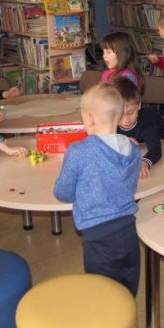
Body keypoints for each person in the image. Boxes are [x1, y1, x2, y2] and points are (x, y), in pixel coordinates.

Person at [54, 82, 141, 296]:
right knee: (128, 281)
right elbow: (129, 186)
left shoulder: (78, 151)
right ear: (119, 116)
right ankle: (126, 310)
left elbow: (63, 192)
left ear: (90, 118)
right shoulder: (133, 149)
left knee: (101, 289)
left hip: (97, 234)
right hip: (128, 229)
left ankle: (110, 315)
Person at [113, 76, 164, 179]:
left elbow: (155, 149)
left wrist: (144, 163)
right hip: (141, 141)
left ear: (138, 105)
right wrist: (122, 139)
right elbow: (103, 138)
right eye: (120, 114)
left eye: (130, 112)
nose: (126, 120)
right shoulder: (111, 119)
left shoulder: (147, 121)